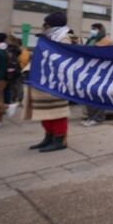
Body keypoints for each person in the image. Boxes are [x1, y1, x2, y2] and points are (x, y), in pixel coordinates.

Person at [23, 11, 78, 152]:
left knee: (57, 111)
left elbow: (65, 58)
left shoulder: (66, 37)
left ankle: (59, 140)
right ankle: (48, 137)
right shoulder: (49, 36)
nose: (44, 26)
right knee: (44, 111)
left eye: (46, 23)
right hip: (42, 79)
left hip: (56, 81)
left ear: (50, 24)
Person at [81, 22, 113, 127]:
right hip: (89, 71)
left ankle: (98, 118)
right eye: (92, 28)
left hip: (100, 72)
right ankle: (90, 117)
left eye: (95, 29)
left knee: (96, 94)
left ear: (100, 30)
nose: (92, 31)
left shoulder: (107, 41)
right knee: (88, 95)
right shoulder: (90, 40)